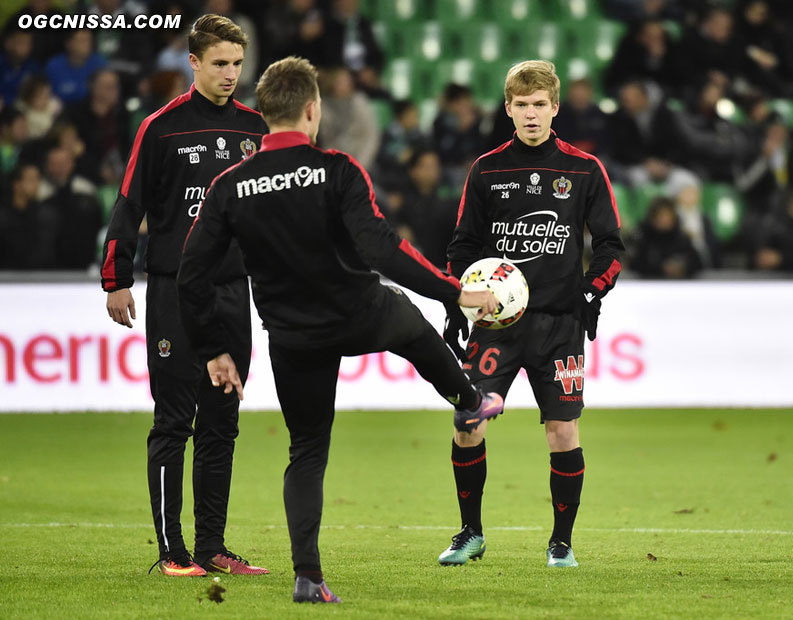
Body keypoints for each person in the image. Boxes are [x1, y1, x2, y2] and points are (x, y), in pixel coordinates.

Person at [175, 56, 503, 604]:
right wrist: (456, 291)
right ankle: (468, 399)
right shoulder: (337, 169)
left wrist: (213, 349)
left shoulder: (230, 185)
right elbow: (383, 248)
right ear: (312, 109)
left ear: (262, 114)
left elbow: (191, 276)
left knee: (306, 451)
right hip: (359, 312)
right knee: (413, 324)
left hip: (293, 335)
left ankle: (308, 577)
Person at [100, 14, 269, 578]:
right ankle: (171, 551)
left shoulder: (255, 128)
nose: (230, 74)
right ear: (192, 63)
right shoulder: (161, 127)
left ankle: (211, 546)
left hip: (232, 292)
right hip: (174, 290)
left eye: (237, 64)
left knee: (223, 421)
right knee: (175, 420)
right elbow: (129, 205)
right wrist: (117, 277)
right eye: (219, 63)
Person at [442, 60, 624, 568]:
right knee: (467, 422)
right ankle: (470, 533)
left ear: (555, 108)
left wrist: (592, 291)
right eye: (521, 105)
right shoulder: (486, 170)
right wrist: (460, 298)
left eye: (539, 104)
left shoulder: (584, 169)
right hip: (496, 324)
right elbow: (461, 247)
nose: (530, 114)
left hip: (558, 325)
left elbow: (610, 246)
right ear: (507, 109)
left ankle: (561, 543)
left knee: (562, 432)